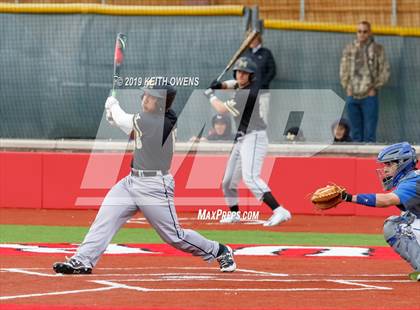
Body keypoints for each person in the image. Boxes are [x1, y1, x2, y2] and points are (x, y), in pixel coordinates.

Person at [53, 83, 236, 274]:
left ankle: (219, 250)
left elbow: (127, 120)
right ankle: (83, 260)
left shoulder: (159, 120)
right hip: (131, 181)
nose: (145, 99)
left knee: (175, 236)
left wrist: (112, 106)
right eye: (146, 95)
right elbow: (133, 129)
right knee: (105, 218)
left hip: (155, 187)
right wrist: (115, 119)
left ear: (161, 103)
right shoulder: (156, 118)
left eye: (151, 97)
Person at [205, 56, 291, 226]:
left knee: (250, 177)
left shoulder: (246, 94)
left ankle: (279, 211)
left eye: (245, 73)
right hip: (242, 138)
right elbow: (233, 83)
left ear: (251, 76)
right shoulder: (243, 85)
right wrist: (220, 85)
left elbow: (221, 109)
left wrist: (210, 95)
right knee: (228, 181)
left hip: (255, 137)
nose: (241, 76)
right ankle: (235, 214)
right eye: (239, 72)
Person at [339, 142, 419, 281]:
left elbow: (387, 200)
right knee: (407, 216)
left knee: (394, 226)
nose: (385, 169)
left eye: (389, 164)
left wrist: (348, 197)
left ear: (402, 163)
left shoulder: (412, 181)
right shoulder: (413, 178)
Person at [339, 21, 390, 143]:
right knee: (355, 134)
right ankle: (356, 162)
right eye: (359, 31)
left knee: (369, 135)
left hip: (369, 96)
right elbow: (343, 69)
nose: (362, 34)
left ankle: (369, 162)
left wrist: (375, 88)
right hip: (352, 96)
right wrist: (347, 87)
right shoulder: (349, 49)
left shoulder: (378, 49)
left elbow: (385, 71)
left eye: (365, 31)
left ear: (369, 32)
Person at [243, 28, 276, 124]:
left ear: (258, 39)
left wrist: (261, 85)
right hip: (246, 93)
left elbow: (272, 71)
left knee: (262, 118)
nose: (251, 41)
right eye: (248, 38)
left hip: (262, 94)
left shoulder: (266, 53)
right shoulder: (245, 54)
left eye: (253, 38)